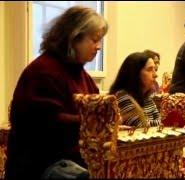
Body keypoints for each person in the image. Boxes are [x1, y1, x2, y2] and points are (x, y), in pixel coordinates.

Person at [5, 6, 108, 179]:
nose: (98, 47)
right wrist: (92, 121)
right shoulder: (42, 72)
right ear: (74, 38)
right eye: (94, 40)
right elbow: (47, 125)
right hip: (41, 167)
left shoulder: (81, 75)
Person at [109, 52, 161, 128]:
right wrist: (158, 123)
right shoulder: (122, 96)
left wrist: (158, 123)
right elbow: (142, 127)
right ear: (135, 73)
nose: (155, 75)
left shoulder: (146, 97)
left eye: (155, 70)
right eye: (150, 69)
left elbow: (161, 122)